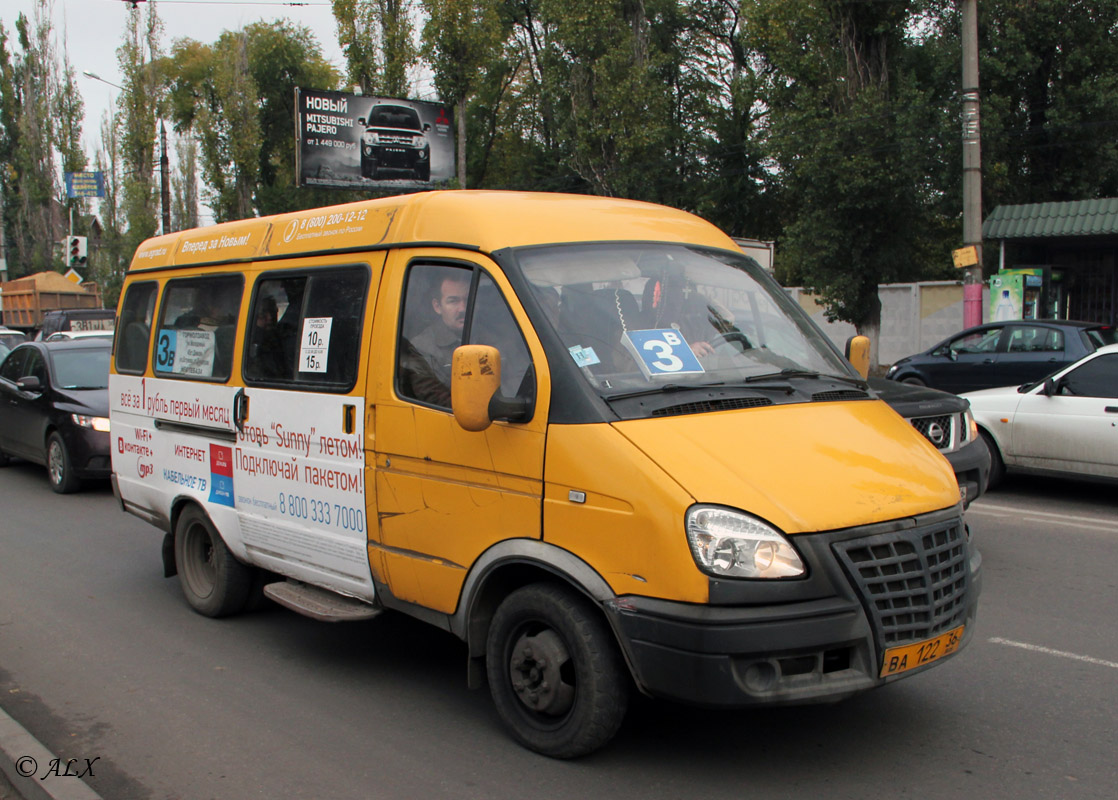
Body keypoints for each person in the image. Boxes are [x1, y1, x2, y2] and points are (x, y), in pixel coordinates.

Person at [407, 270, 470, 402]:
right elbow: (436, 397)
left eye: (467, 299)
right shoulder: (421, 347)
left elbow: (516, 377)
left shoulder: (493, 336)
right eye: (453, 301)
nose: (463, 308)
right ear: (437, 306)